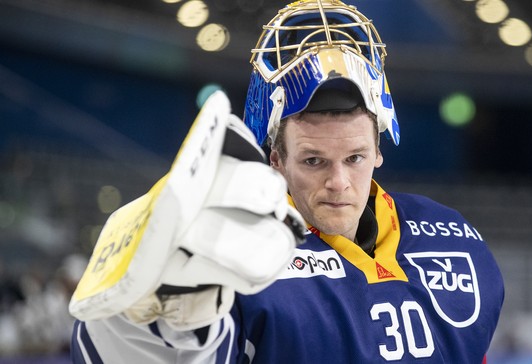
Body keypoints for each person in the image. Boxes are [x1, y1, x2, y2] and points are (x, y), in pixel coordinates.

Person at [69, 0, 504, 363]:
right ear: (276, 159)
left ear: (378, 151)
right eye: (314, 160)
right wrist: (139, 322)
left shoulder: (453, 237)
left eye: (354, 158)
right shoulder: (236, 254)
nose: (338, 182)